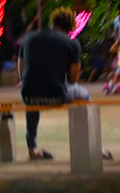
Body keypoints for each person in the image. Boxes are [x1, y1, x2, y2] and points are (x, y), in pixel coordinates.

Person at [18, 9, 83, 161]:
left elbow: (22, 72)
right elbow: (73, 79)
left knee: (33, 91)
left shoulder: (29, 38)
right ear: (71, 26)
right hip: (57, 96)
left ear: (53, 22)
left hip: (28, 96)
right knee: (85, 95)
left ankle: (32, 148)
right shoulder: (72, 44)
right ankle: (89, 144)